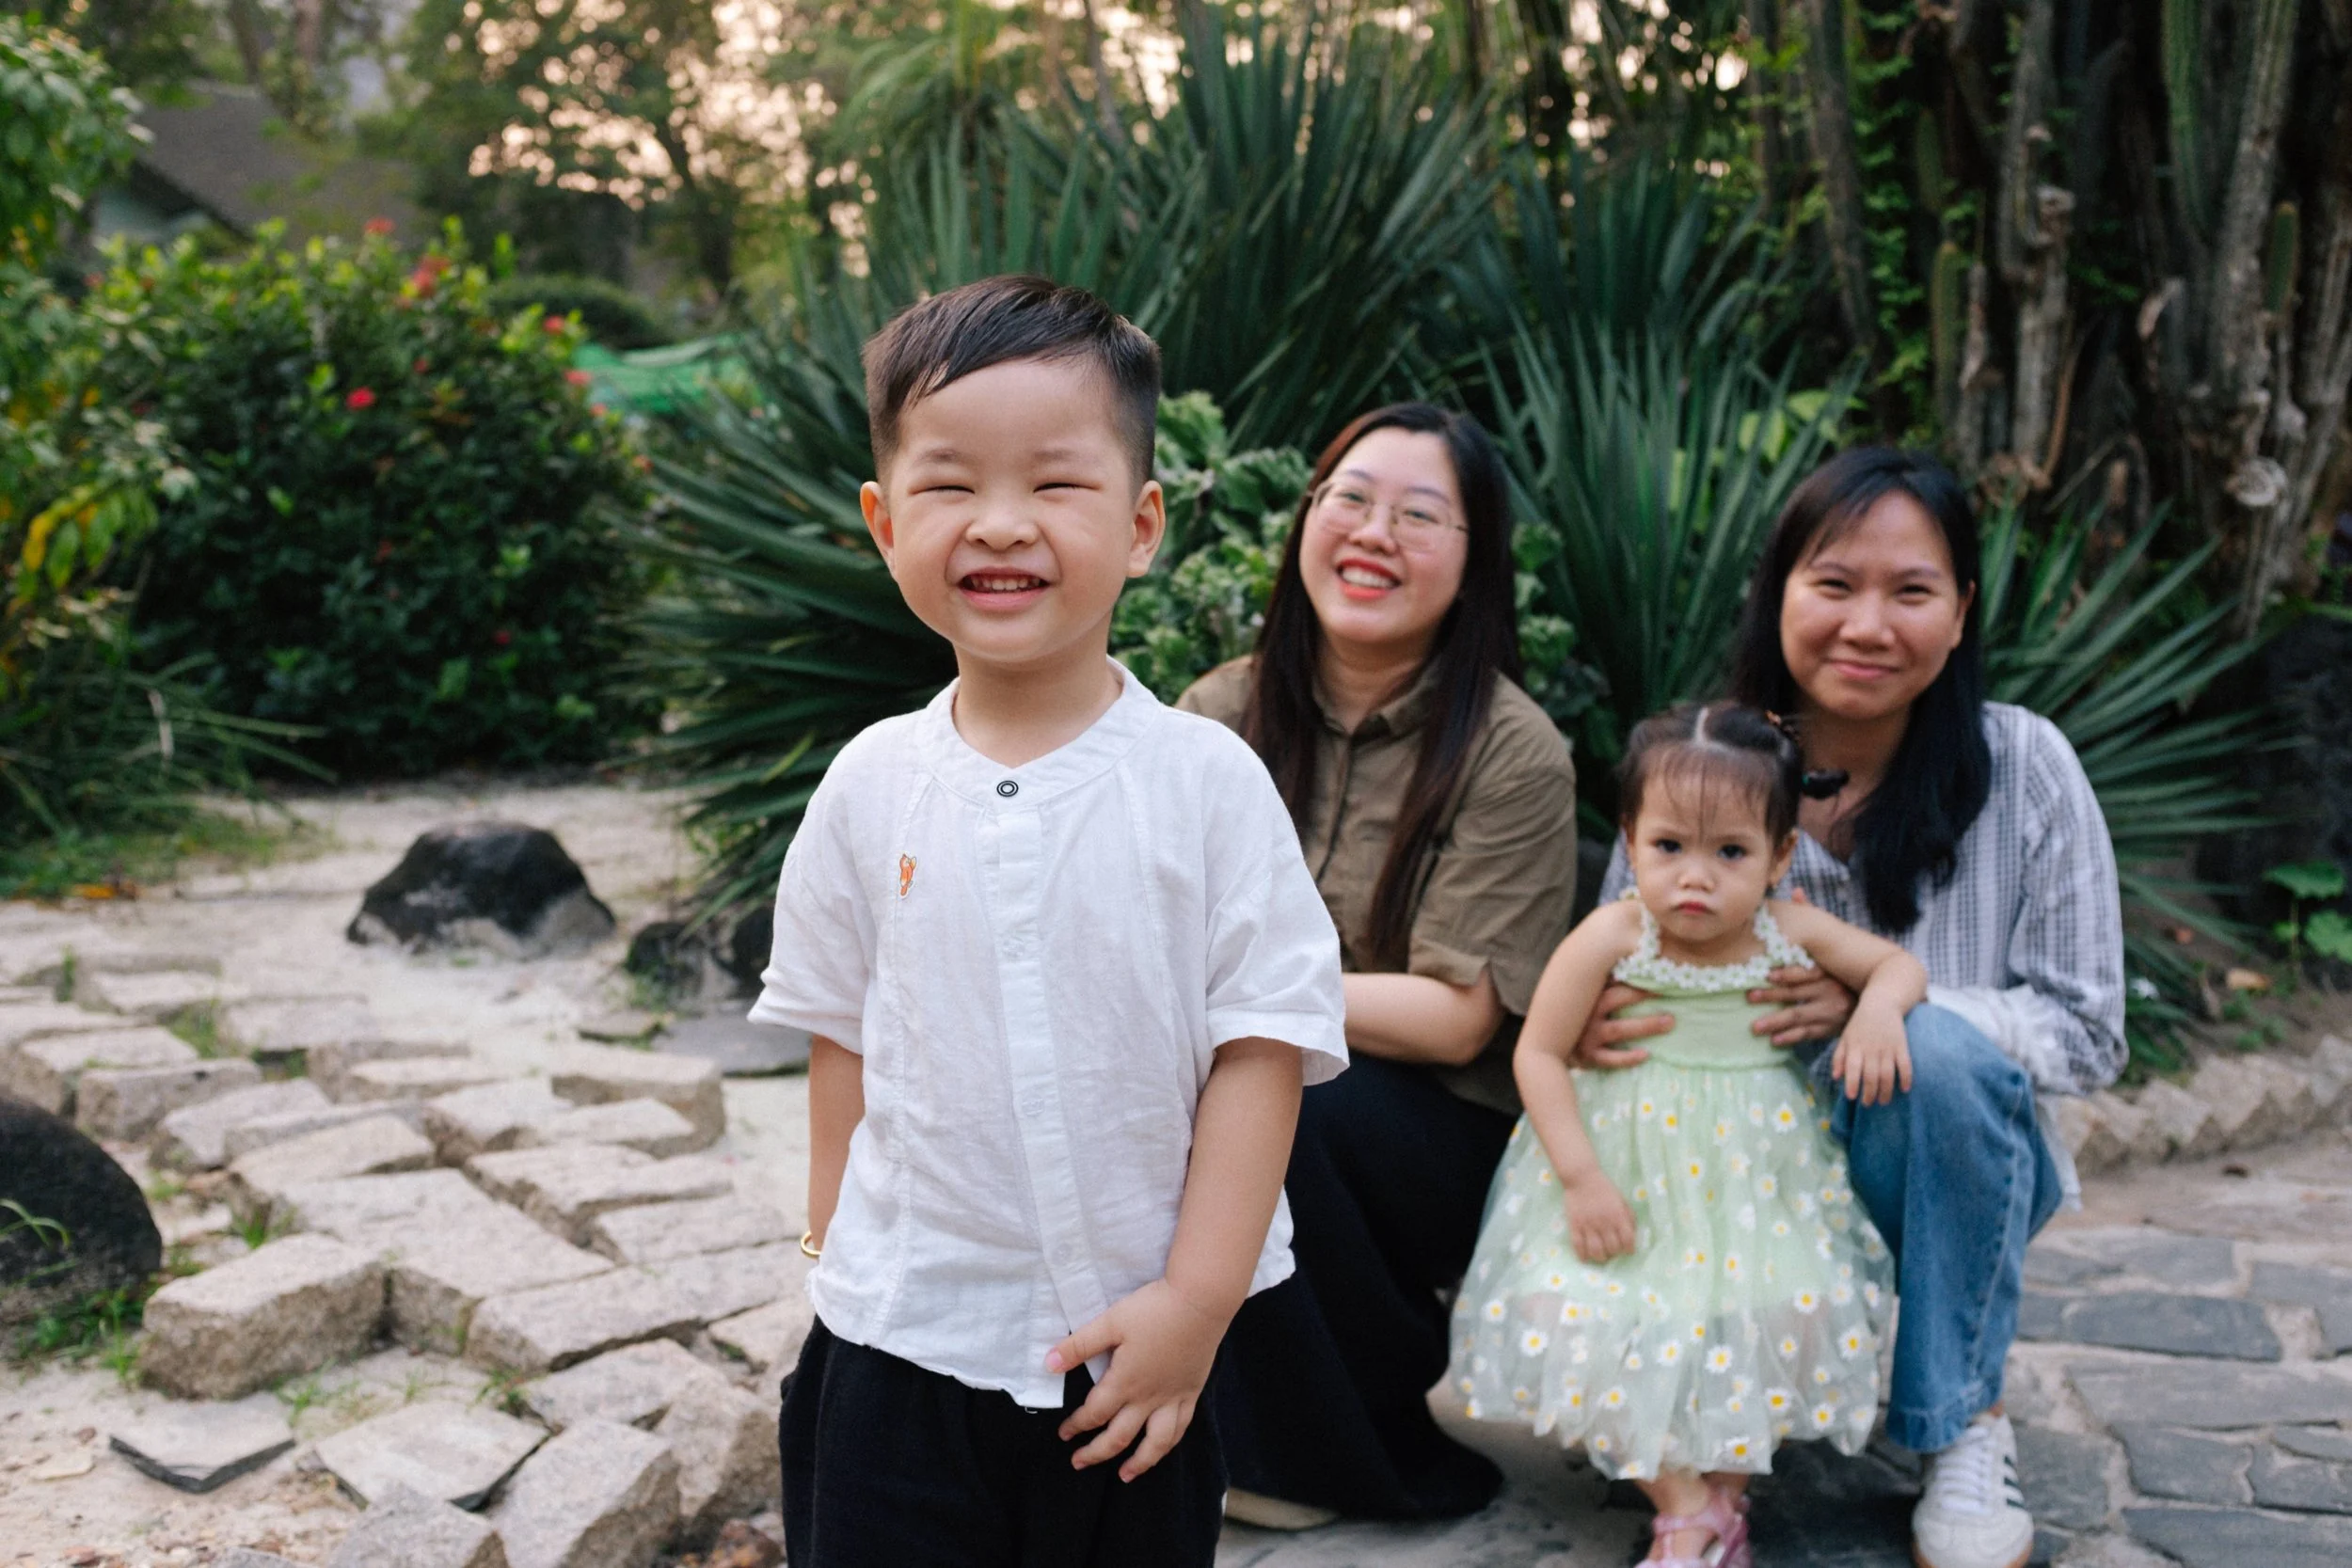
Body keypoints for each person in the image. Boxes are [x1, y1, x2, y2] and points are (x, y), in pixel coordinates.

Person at [751, 275, 1348, 1568]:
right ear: (883, 519)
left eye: (1056, 484)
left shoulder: (1204, 783)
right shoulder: (868, 784)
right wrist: (829, 1247)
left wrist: (1196, 1303)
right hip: (898, 1339)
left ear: (1140, 524)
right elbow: (840, 1034)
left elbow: (1263, 1043)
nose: (1000, 524)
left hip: (1129, 1362)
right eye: (951, 483)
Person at [1580, 448, 2124, 1568]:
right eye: (1833, 584)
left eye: (1910, 591)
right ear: (1779, 592)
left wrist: (1871, 1009)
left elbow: (2087, 1029)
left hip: (1932, 1160)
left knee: (1936, 1050)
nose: (1867, 623)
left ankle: (1959, 1421)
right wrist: (1589, 1022)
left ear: (1961, 610)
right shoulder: (1704, 762)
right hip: (1724, 1164)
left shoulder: (2024, 767)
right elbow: (1619, 956)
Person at [1179, 403, 1580, 1524]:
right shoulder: (1217, 713)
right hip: (1254, 1070)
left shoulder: (1510, 749)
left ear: (1475, 560)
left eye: (1419, 513)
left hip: (1435, 1133)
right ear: (1307, 517)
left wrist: (1236, 1001)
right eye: (1349, 497)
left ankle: (1316, 1452)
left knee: (1293, 1100)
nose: (1373, 531)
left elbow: (1455, 1018)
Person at [1452, 703, 1917, 1568]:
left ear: (1782, 855)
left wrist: (1879, 1008)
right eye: (1669, 846)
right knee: (1584, 1319)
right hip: (1625, 1174)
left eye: (1731, 852)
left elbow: (1896, 963)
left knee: (1770, 1319)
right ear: (1629, 840)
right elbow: (1540, 1053)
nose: (1694, 878)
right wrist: (1582, 1177)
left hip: (1754, 1184)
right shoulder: (1614, 933)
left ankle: (1717, 1510)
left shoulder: (1791, 928)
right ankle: (1684, 1500)